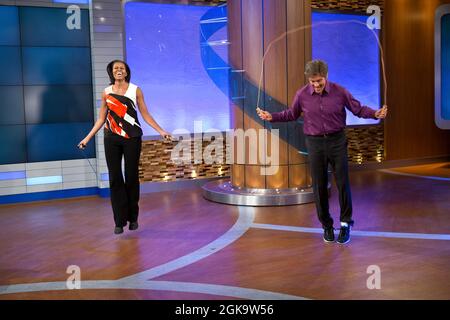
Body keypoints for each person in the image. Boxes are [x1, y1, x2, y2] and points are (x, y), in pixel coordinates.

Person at [257, 60, 388, 244]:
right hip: (314, 143)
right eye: (312, 82)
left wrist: (375, 113)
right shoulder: (302, 95)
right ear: (308, 80)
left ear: (325, 77)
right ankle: (326, 225)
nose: (316, 85)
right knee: (319, 186)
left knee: (342, 183)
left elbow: (358, 109)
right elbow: (291, 114)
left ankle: (345, 224)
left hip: (337, 141)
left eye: (319, 81)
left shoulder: (340, 91)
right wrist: (272, 117)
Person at [79, 60, 171, 234]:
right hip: (111, 137)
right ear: (112, 73)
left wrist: (161, 130)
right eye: (116, 68)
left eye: (122, 68)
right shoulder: (106, 92)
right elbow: (101, 118)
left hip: (132, 137)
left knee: (131, 176)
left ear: (126, 72)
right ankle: (119, 222)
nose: (119, 70)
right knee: (115, 178)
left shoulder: (135, 90)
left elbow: (145, 114)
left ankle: (133, 218)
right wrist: (87, 138)